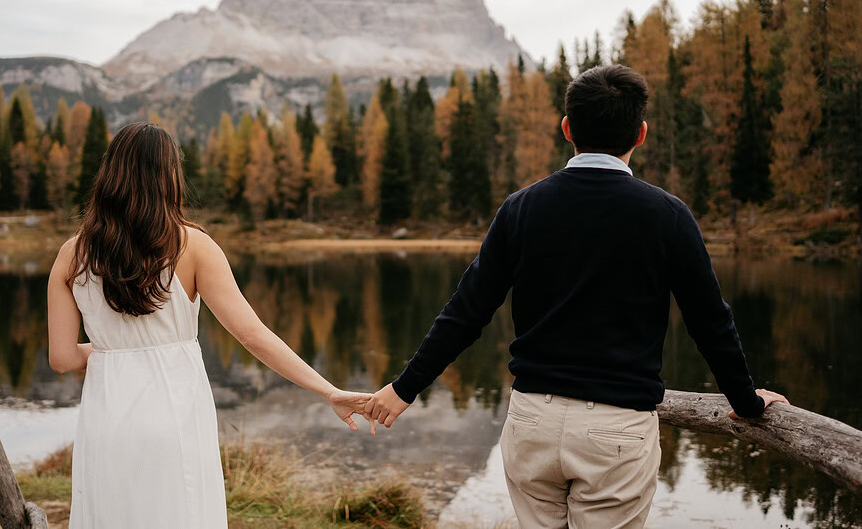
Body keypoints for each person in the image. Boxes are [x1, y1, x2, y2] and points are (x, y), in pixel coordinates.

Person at [366, 64, 788, 528]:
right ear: (641, 134)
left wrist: (404, 389)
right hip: (616, 429)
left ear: (567, 128)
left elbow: (465, 313)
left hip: (532, 422)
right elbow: (709, 321)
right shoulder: (667, 215)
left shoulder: (521, 208)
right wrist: (746, 401)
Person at [47, 122, 373, 528]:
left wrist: (115, 350)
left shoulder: (72, 254)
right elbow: (251, 335)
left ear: (110, 176)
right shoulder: (193, 246)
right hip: (175, 415)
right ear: (168, 176)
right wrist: (329, 390)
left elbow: (62, 359)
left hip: (105, 421)